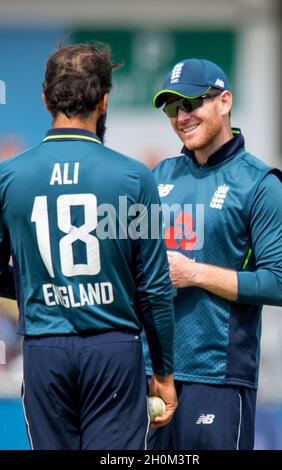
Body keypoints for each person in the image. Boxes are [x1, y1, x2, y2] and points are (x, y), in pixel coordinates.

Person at [0, 44, 177, 450]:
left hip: (45, 349)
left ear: (45, 99)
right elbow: (154, 288)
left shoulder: (8, 177)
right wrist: (164, 375)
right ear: (104, 100)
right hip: (113, 348)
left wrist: (41, 289)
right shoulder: (135, 178)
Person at [143, 58, 282, 450]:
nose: (182, 116)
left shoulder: (259, 183)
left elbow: (279, 283)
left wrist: (193, 273)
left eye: (192, 103)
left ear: (225, 101)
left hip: (219, 378)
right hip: (152, 377)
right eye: (173, 108)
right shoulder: (158, 177)